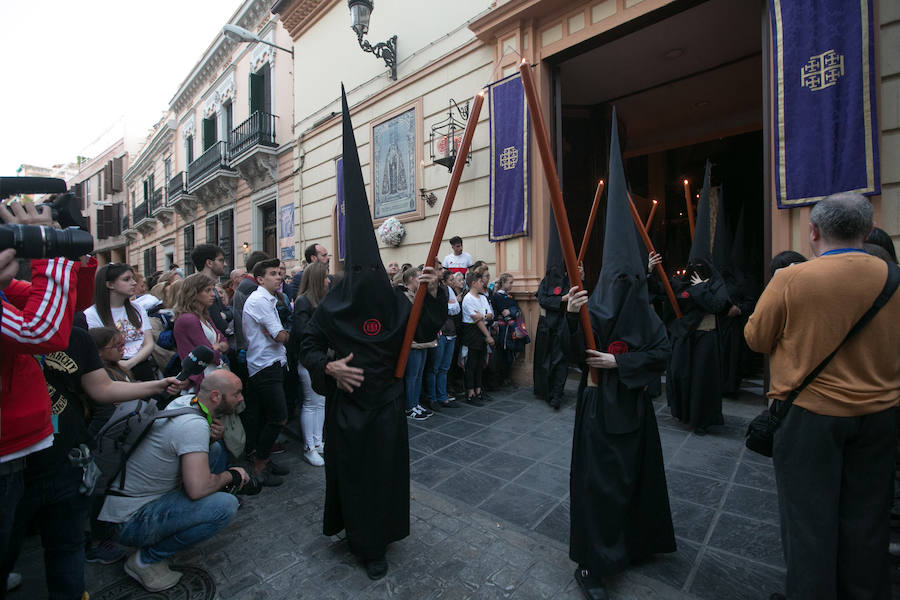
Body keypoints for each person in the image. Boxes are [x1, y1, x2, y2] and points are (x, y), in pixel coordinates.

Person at [298, 88, 447, 580]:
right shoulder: (332, 304)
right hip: (346, 406)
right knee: (351, 476)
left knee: (380, 477)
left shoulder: (393, 300)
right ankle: (353, 532)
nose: (363, 278)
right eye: (356, 269)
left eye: (371, 268)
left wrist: (434, 291)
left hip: (385, 404)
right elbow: (309, 344)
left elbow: (426, 327)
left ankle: (376, 541)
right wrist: (327, 367)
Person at [745, 193, 900, 600]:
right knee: (868, 522)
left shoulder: (791, 278)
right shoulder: (894, 278)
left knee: (808, 525)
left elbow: (756, 338)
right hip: (881, 414)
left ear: (813, 232)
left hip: (811, 416)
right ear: (867, 232)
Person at [564, 114, 675, 597]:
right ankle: (593, 562)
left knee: (635, 480)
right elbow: (576, 353)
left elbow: (661, 350)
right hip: (598, 411)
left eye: (632, 279)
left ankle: (633, 542)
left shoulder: (644, 311)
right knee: (599, 487)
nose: (625, 286)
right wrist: (572, 317)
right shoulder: (594, 305)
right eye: (619, 279)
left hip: (633, 407)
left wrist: (621, 364)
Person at [0, 319, 185, 596]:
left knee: (67, 547)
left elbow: (103, 389)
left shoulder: (75, 337)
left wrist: (156, 386)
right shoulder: (8, 333)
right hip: (11, 469)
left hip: (65, 461)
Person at [0, 202, 93, 600]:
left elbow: (73, 305)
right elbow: (44, 331)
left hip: (27, 448)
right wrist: (49, 253)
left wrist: (69, 246)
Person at [98, 371, 248, 592]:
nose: (241, 398)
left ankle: (186, 518)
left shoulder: (187, 401)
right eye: (237, 393)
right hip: (130, 520)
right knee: (224, 506)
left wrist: (211, 438)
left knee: (214, 449)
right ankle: (145, 560)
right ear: (216, 396)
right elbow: (197, 489)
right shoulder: (194, 425)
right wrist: (232, 475)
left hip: (128, 501)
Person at [666, 162, 729, 434]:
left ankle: (701, 420)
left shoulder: (715, 283)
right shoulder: (684, 279)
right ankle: (683, 414)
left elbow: (717, 304)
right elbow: (674, 298)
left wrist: (701, 288)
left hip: (707, 339)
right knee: (682, 377)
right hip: (686, 338)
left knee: (703, 382)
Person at [242, 258, 291, 486]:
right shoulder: (260, 300)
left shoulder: (267, 298)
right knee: (278, 418)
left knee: (269, 417)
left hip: (271, 362)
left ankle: (264, 459)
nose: (279, 276)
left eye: (279, 273)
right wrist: (297, 336)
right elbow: (279, 336)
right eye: (273, 273)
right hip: (265, 365)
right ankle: (259, 466)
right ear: (260, 279)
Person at [287, 262, 330, 466]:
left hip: (318, 357)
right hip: (308, 359)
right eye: (325, 277)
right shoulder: (304, 301)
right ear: (317, 280)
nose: (328, 281)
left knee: (319, 401)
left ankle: (317, 441)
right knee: (311, 403)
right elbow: (302, 332)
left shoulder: (318, 300)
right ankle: (309, 446)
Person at [85, 263, 157, 381]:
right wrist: (122, 365)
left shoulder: (137, 308)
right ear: (110, 284)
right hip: (114, 370)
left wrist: (131, 363)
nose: (134, 282)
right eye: (126, 279)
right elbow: (100, 350)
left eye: (132, 278)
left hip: (142, 365)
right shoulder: (91, 314)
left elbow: (148, 343)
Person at [534, 216, 571, 409]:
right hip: (545, 327)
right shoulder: (544, 282)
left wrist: (562, 299)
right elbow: (542, 299)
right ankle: (545, 390)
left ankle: (557, 393)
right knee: (544, 360)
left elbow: (572, 297)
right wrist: (560, 300)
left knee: (560, 360)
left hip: (561, 326)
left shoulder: (567, 282)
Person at [173, 273, 229, 392]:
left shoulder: (204, 316)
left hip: (213, 374)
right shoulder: (188, 319)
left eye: (212, 290)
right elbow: (209, 354)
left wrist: (218, 346)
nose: (213, 294)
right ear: (194, 293)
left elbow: (224, 341)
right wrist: (217, 349)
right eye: (207, 290)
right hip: (202, 379)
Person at [399, 266, 436, 420]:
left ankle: (415, 403)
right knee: (412, 376)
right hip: (413, 342)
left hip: (423, 341)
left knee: (419, 375)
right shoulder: (403, 295)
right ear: (412, 279)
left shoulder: (417, 294)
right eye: (419, 275)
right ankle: (409, 407)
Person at [424, 269, 461, 409]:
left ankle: (442, 396)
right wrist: (447, 306)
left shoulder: (448, 289)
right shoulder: (432, 289)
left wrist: (447, 306)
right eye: (437, 269)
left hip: (451, 332)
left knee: (445, 368)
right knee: (434, 368)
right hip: (440, 333)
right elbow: (443, 309)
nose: (439, 271)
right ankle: (432, 398)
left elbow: (455, 309)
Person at [460, 269, 494, 406]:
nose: (483, 283)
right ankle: (470, 392)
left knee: (480, 363)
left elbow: (490, 315)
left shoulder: (483, 297)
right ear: (474, 283)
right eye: (481, 281)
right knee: (471, 363)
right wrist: (488, 335)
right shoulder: (468, 299)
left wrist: (484, 315)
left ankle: (479, 390)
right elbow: (476, 320)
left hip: (481, 331)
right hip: (472, 332)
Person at [191, 243, 232, 337]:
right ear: (209, 263)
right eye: (221, 260)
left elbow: (229, 311)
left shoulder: (214, 287)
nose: (225, 264)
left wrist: (225, 315)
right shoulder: (197, 288)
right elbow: (219, 323)